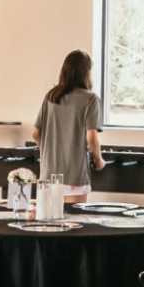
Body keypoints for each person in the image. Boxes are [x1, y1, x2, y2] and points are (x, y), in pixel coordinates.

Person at [34, 49, 102, 192]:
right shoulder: (91, 99)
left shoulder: (51, 96)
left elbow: (35, 133)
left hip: (47, 176)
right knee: (75, 215)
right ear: (86, 73)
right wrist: (99, 160)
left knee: (49, 214)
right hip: (74, 176)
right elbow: (92, 138)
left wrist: (50, 151)